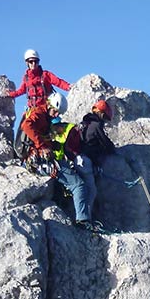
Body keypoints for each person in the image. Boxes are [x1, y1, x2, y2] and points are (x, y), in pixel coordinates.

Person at [45, 93, 94, 229]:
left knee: (66, 190)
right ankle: (83, 220)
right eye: (54, 112)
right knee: (79, 186)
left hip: (53, 162)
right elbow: (70, 149)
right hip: (52, 163)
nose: (55, 115)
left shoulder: (43, 124)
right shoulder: (66, 129)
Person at [9, 49, 72, 151]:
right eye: (31, 61)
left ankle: (53, 150)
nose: (33, 64)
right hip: (32, 111)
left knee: (52, 132)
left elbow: (58, 82)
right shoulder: (26, 78)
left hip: (47, 111)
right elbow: (22, 90)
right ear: (27, 63)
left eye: (36, 61)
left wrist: (69, 87)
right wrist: (11, 95)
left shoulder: (45, 75)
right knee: (23, 133)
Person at [77, 99, 116, 222]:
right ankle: (85, 219)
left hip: (79, 159)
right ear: (102, 114)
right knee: (91, 190)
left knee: (85, 188)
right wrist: (113, 150)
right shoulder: (96, 125)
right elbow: (105, 143)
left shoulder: (85, 122)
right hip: (86, 160)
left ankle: (84, 217)